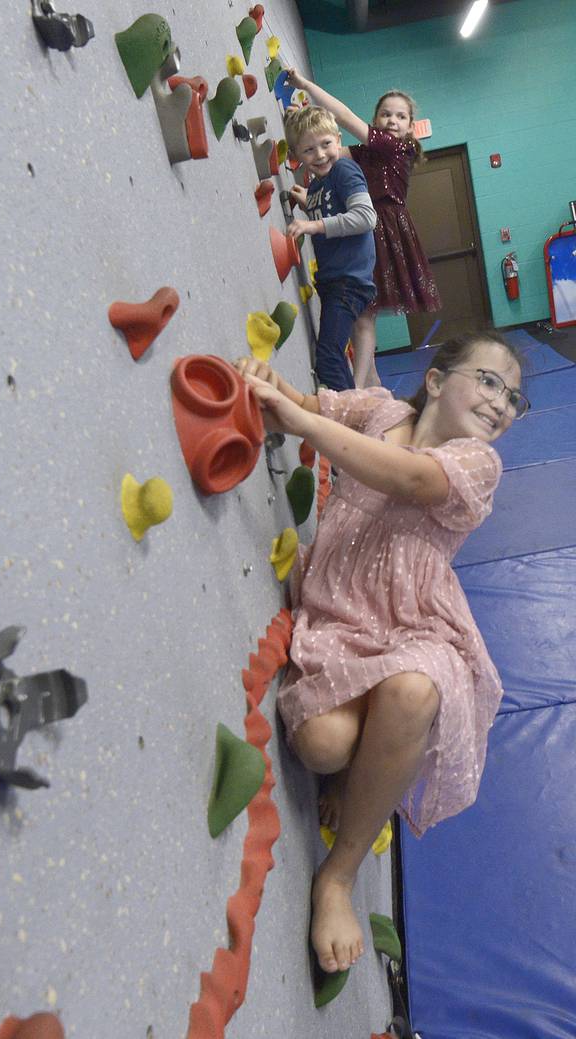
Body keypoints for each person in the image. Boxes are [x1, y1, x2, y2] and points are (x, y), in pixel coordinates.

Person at [233, 330, 529, 976]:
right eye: (487, 380)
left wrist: (305, 420)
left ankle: (336, 877)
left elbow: (409, 477)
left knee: (415, 688)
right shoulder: (380, 412)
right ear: (434, 380)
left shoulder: (478, 464)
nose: (501, 402)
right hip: (343, 609)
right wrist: (263, 380)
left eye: (512, 396)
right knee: (322, 747)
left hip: (415, 620)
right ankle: (366, 762)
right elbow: (300, 400)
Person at [285, 71, 441, 389]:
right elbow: (325, 150)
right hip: (366, 230)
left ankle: (357, 387)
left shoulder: (394, 148)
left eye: (401, 116)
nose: (392, 120)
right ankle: (372, 385)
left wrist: (305, 86)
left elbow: (341, 117)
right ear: (376, 118)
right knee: (361, 316)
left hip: (382, 227)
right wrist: (300, 124)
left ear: (411, 127)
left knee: (365, 314)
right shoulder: (368, 152)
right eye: (385, 114)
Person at [283, 105, 377, 392]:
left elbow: (365, 217)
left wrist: (312, 226)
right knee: (331, 356)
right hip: (335, 282)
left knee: (328, 359)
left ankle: (350, 425)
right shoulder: (317, 186)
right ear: (296, 155)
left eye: (326, 144)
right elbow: (327, 206)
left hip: (349, 283)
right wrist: (304, 200)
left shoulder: (344, 170)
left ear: (339, 140)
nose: (320, 155)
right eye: (309, 150)